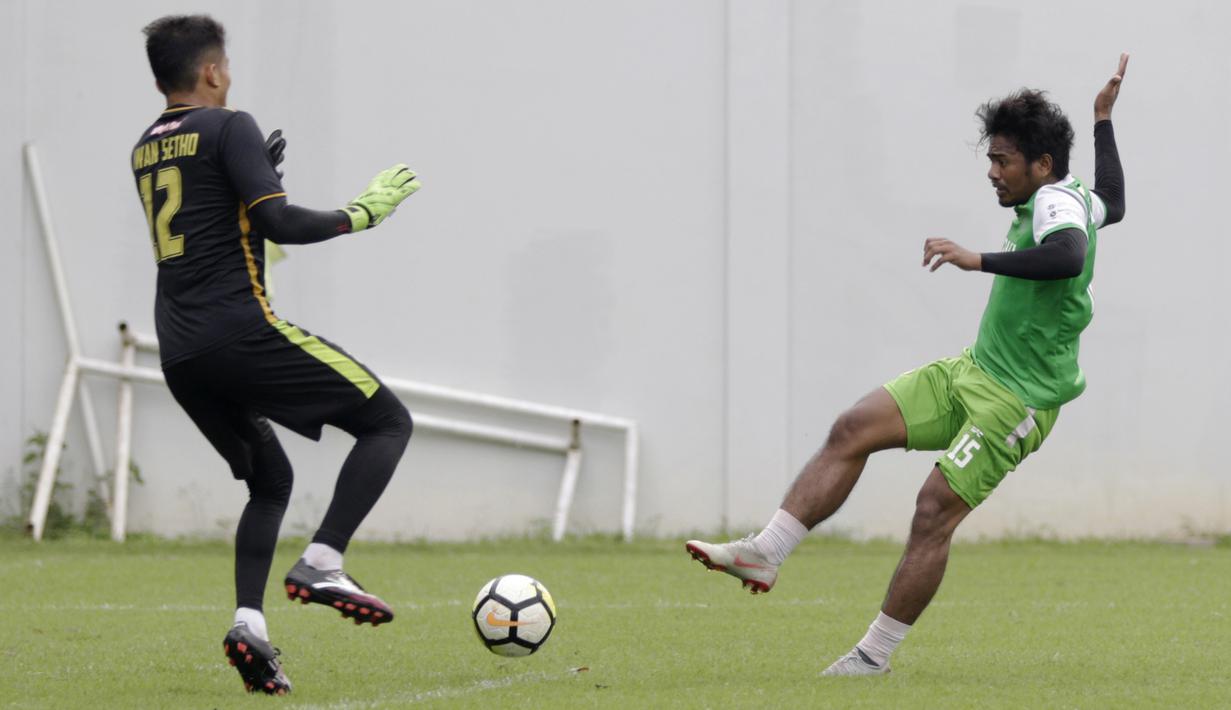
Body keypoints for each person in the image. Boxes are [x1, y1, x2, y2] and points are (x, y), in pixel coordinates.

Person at [686, 54, 1129, 676]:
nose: (991, 172)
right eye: (990, 158)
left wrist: (979, 259)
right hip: (975, 369)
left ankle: (873, 658)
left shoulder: (1056, 203)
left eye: (1002, 160)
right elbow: (1115, 200)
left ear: (1043, 165)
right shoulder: (1076, 194)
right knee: (853, 428)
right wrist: (1103, 119)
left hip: (1019, 399)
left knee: (931, 511)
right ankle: (765, 552)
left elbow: (1064, 257)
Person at [133, 15, 420, 695]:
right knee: (387, 422)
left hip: (179, 352)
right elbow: (277, 222)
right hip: (239, 333)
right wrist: (362, 213)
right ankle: (322, 560)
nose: (228, 75)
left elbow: (211, 220)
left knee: (270, 482)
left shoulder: (145, 145)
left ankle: (250, 627)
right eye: (224, 64)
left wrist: (251, 177)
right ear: (210, 71)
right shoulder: (230, 126)